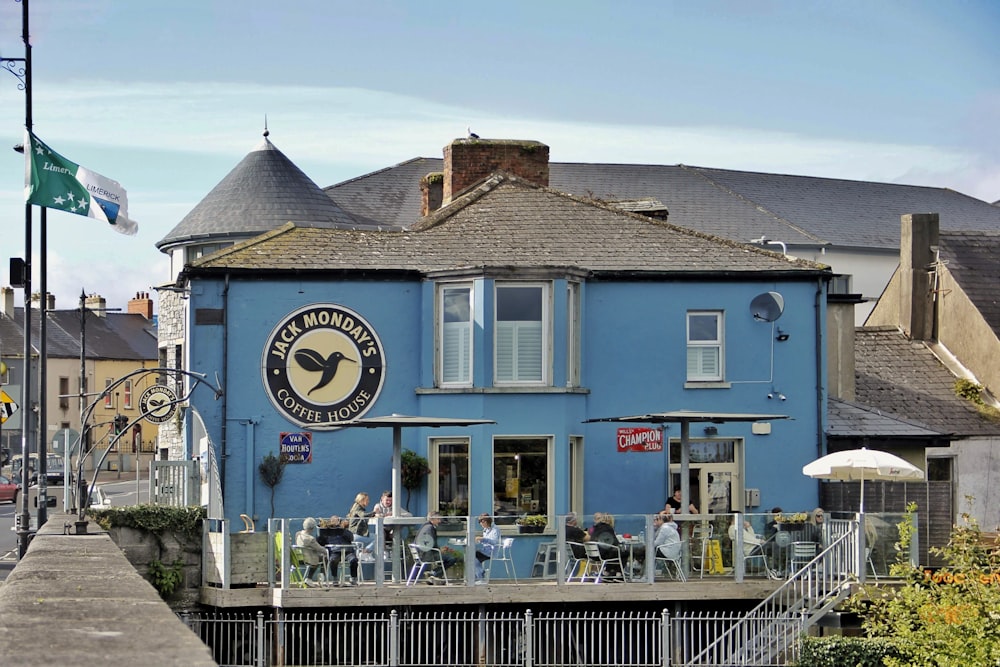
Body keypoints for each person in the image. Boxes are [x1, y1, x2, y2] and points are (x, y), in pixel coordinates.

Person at [414, 511, 457, 584]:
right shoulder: (430, 528)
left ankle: (435, 577)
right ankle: (434, 574)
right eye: (438, 519)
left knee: (445, 557)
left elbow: (428, 542)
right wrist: (439, 550)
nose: (439, 521)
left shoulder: (424, 526)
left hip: (421, 553)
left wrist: (439, 549)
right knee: (452, 558)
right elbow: (429, 544)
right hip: (427, 555)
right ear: (432, 519)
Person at [318, 515, 359, 584]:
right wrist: (322, 530)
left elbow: (351, 538)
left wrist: (343, 530)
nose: (335, 522)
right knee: (333, 560)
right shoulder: (327, 531)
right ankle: (335, 578)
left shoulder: (343, 530)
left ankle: (353, 578)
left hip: (347, 551)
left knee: (354, 560)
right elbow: (320, 541)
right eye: (333, 521)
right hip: (335, 551)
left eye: (337, 520)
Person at [295, 517, 328, 585]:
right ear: (312, 528)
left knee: (318, 557)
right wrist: (327, 551)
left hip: (299, 558)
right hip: (309, 559)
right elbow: (319, 549)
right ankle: (319, 578)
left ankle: (310, 578)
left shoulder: (298, 534)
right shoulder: (310, 539)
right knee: (325, 557)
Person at [473, 513, 501, 582]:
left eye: (481, 522)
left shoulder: (495, 529)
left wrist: (482, 539)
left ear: (486, 521)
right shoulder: (485, 530)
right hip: (485, 550)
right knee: (472, 556)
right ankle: (478, 576)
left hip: (491, 551)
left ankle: (480, 577)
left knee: (473, 558)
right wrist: (480, 540)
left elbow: (494, 542)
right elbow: (485, 541)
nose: (480, 524)